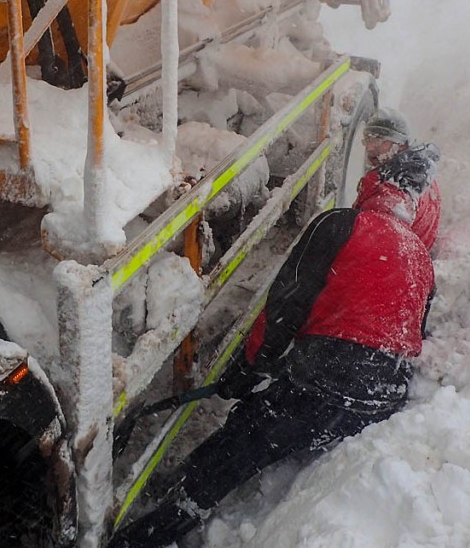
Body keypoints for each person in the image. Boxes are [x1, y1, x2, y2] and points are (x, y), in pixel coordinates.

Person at [108, 176, 434, 548]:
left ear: (369, 192)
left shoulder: (342, 224)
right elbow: (403, 331)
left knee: (237, 445)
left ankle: (151, 528)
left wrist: (246, 367)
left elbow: (286, 303)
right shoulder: (421, 256)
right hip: (383, 396)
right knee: (280, 416)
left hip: (329, 378)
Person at [357, 108, 441, 252]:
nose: (369, 147)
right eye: (368, 138)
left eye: (379, 140)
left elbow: (375, 250)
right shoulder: (419, 172)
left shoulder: (390, 198)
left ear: (400, 144)